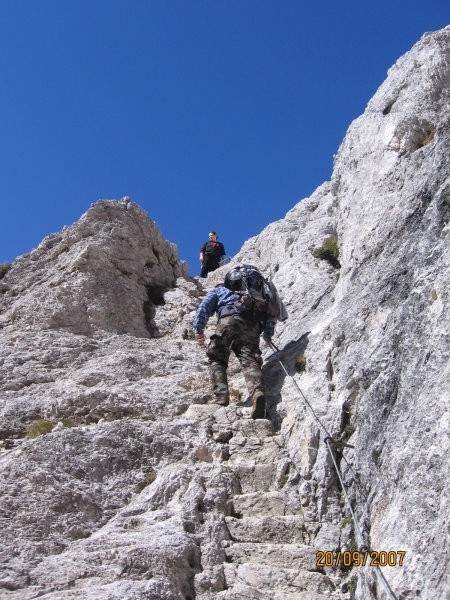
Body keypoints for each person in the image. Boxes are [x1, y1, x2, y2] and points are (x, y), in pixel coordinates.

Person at [193, 270, 284, 419]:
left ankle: (221, 397)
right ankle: (257, 394)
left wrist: (198, 329)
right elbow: (269, 317)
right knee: (249, 361)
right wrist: (267, 335)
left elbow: (204, 307)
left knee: (217, 358)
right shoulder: (255, 296)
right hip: (251, 326)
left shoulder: (219, 290)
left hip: (228, 322)